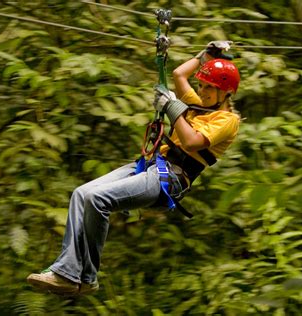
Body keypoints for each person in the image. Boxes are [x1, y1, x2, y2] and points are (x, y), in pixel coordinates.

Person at [26, 42, 241, 296]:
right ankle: (67, 272)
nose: (202, 91)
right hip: (151, 164)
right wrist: (204, 56)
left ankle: (87, 277)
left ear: (225, 92)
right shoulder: (198, 105)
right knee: (81, 194)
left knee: (97, 199)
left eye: (209, 87)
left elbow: (193, 141)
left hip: (170, 178)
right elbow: (179, 75)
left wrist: (172, 108)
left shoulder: (227, 120)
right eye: (202, 85)